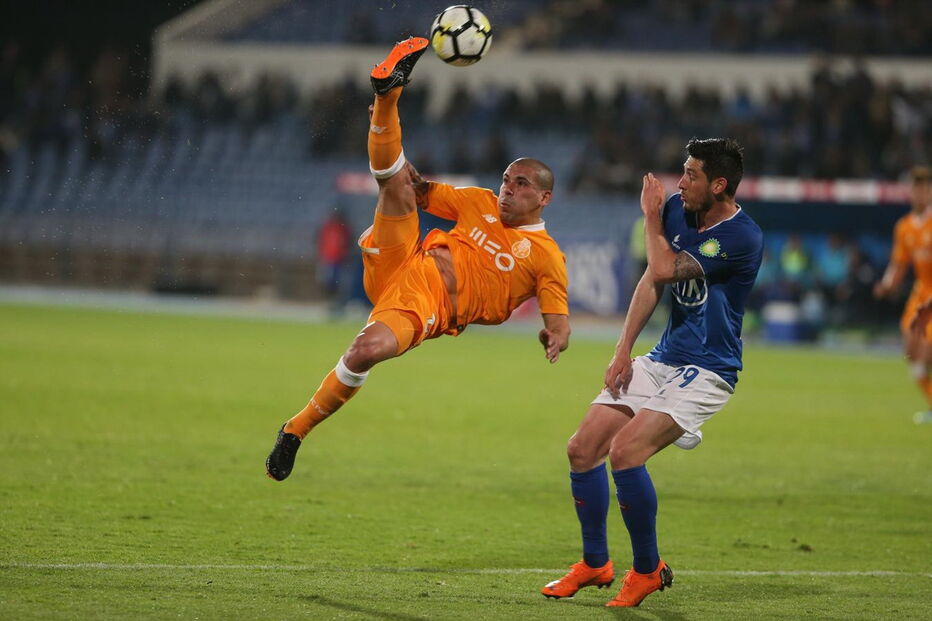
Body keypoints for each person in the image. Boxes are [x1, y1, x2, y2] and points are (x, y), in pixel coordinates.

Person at [265, 37, 570, 481]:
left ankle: (295, 430)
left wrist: (555, 337)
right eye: (506, 179)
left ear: (544, 198)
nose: (508, 188)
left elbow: (559, 321)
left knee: (365, 351)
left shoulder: (547, 256)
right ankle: (388, 94)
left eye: (521, 184)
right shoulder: (478, 201)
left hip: (429, 304)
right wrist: (387, 132)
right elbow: (418, 188)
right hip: (405, 260)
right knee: (397, 187)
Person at [541, 139, 762, 608]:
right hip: (664, 358)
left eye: (691, 175)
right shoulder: (680, 211)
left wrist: (649, 215)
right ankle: (595, 563)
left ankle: (647, 570)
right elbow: (651, 280)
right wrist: (623, 350)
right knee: (582, 449)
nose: (680, 183)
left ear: (718, 185)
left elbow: (661, 266)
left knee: (625, 452)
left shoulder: (742, 236)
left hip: (709, 369)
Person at [874, 166, 932, 420]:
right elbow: (899, 264)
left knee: (927, 353)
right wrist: (887, 285)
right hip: (920, 294)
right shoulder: (904, 227)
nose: (920, 194)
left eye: (925, 189)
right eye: (916, 189)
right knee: (911, 352)